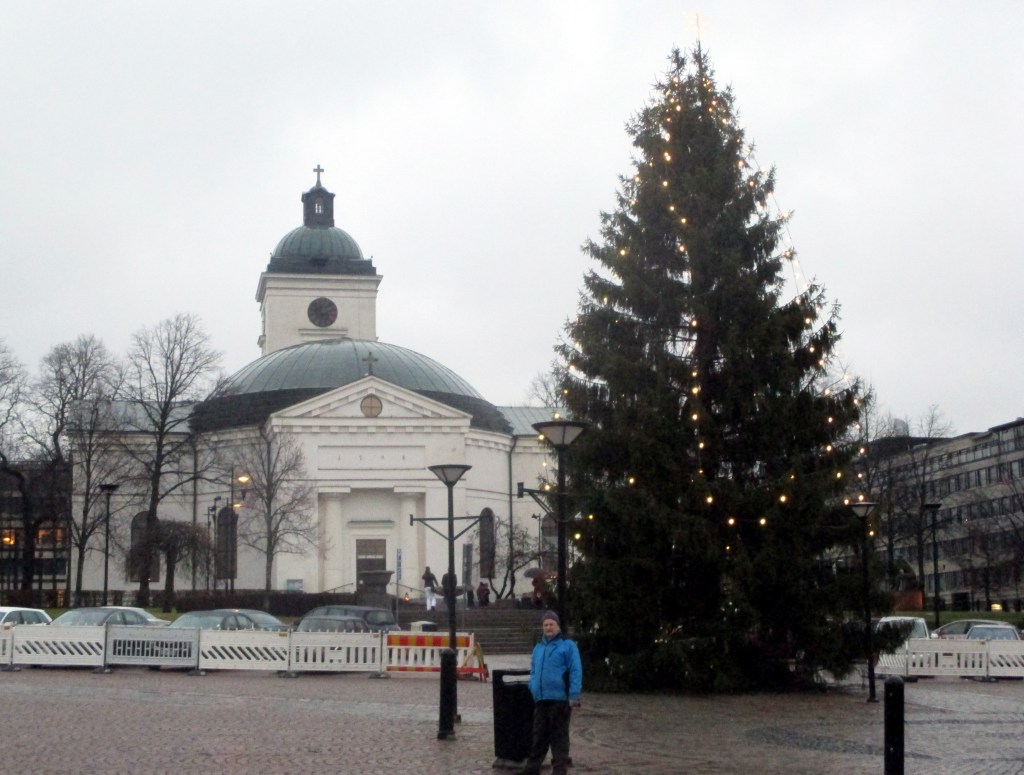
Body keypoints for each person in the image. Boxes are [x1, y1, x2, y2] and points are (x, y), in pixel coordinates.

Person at [522, 610, 582, 775]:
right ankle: (532, 769)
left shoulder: (568, 646)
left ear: (557, 626)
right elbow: (533, 670)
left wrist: (573, 696)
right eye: (545, 625)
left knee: (559, 737)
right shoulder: (538, 648)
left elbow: (575, 671)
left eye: (551, 624)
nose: (548, 627)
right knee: (539, 736)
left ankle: (559, 770)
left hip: (560, 699)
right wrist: (533, 687)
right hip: (541, 699)